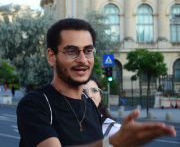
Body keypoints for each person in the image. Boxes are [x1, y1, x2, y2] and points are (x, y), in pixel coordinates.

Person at [17, 18, 176, 147]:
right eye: (72, 51)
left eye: (88, 51)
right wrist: (111, 142)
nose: (82, 59)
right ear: (51, 56)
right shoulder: (34, 105)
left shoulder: (90, 105)